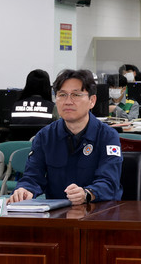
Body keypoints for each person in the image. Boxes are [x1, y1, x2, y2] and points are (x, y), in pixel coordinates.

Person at [8, 69, 123, 205]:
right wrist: (25, 189)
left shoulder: (107, 136)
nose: (68, 101)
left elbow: (109, 182)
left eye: (76, 95)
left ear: (92, 101)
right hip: (56, 211)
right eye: (62, 95)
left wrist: (87, 193)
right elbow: (33, 177)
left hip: (97, 210)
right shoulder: (45, 136)